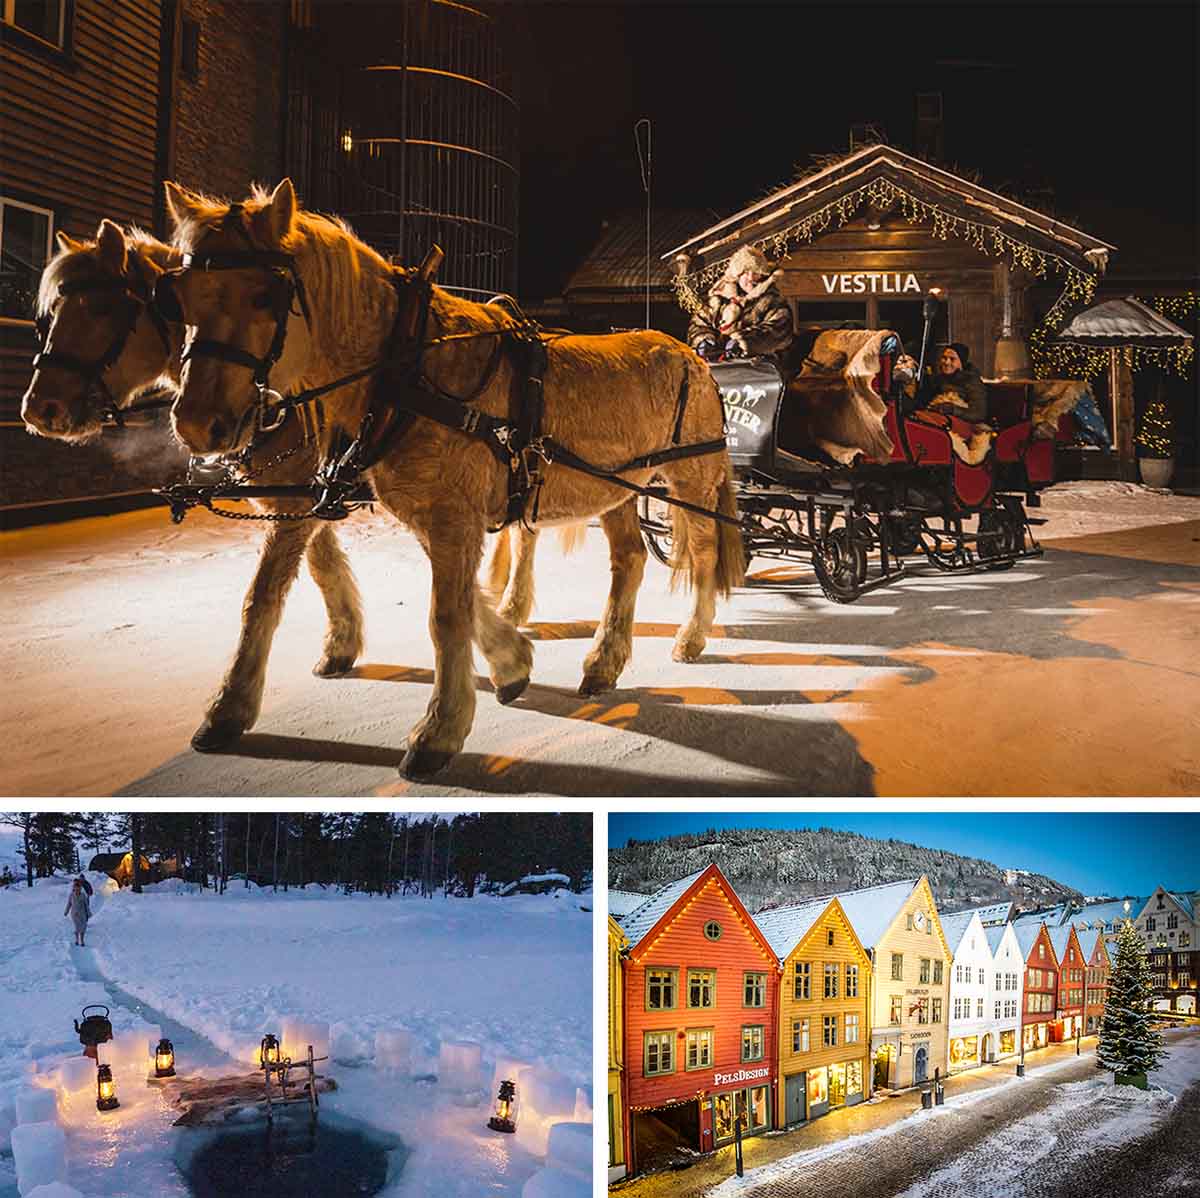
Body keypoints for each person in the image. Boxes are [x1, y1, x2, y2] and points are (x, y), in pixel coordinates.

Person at [688, 246, 793, 362]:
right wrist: (704, 340)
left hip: (758, 366)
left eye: (756, 272)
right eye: (746, 272)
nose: (751, 278)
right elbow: (699, 324)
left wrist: (744, 341)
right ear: (737, 276)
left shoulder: (773, 301)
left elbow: (778, 330)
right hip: (716, 364)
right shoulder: (718, 300)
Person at [914, 342, 989, 424]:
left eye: (952, 359)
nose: (947, 362)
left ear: (961, 363)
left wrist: (952, 409)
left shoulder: (972, 381)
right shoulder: (937, 380)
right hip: (938, 421)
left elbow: (979, 414)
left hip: (963, 426)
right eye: (944, 358)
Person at [64, 875, 92, 947]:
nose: (77, 890)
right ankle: (77, 940)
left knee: (83, 927)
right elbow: (69, 904)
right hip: (75, 914)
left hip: (82, 913)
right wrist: (66, 911)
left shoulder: (83, 895)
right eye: (75, 889)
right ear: (74, 888)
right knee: (77, 927)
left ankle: (82, 940)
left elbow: (86, 905)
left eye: (78, 889)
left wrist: (88, 913)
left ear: (80, 889)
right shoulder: (71, 895)